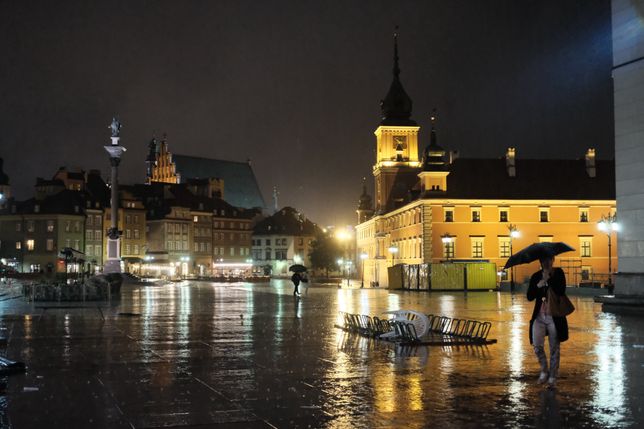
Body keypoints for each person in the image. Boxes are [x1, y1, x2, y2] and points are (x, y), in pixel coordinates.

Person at [527, 255, 569, 388]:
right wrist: (539, 284)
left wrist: (548, 279)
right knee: (537, 345)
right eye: (544, 260)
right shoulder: (535, 276)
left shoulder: (559, 273)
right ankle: (544, 370)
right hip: (539, 316)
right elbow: (529, 296)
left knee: (554, 348)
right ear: (540, 261)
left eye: (549, 260)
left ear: (553, 260)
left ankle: (552, 377)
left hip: (554, 316)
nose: (546, 262)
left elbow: (561, 291)